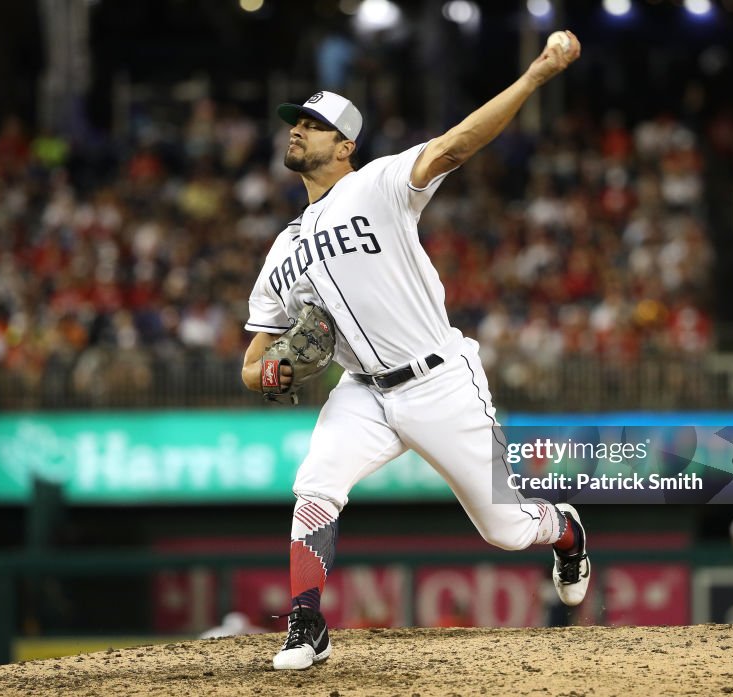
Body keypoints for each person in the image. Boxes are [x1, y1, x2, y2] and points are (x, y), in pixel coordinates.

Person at [241, 31, 588, 671]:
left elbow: (458, 143)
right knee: (315, 485)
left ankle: (565, 529)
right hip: (362, 393)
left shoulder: (379, 185)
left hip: (438, 382)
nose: (298, 131)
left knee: (506, 530)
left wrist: (537, 74)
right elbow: (253, 355)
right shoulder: (283, 248)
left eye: (314, 125)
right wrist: (271, 368)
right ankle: (306, 622)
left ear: (344, 147)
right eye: (297, 122)